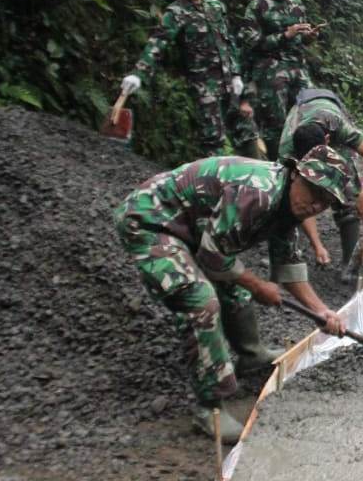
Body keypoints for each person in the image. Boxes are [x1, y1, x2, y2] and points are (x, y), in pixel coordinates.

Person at [114, 146, 350, 443]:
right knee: (200, 301)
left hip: (193, 228)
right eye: (314, 193)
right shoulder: (257, 194)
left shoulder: (288, 210)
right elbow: (213, 258)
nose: (315, 206)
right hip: (150, 220)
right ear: (295, 176)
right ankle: (209, 408)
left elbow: (288, 268)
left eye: (325, 202)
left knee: (233, 287)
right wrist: (257, 285)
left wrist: (323, 312)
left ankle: (251, 355)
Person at [120, 0, 252, 157]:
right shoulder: (176, 13)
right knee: (213, 139)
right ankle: (213, 182)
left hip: (228, 82)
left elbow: (228, 42)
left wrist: (236, 74)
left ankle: (252, 178)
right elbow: (158, 43)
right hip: (204, 86)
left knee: (245, 130)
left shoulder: (216, 6)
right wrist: (138, 74)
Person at [278, 91, 363, 284]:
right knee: (301, 194)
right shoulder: (287, 149)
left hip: (328, 111)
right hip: (302, 113)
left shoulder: (337, 125)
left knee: (349, 194)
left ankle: (350, 265)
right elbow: (299, 202)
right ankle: (318, 244)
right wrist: (317, 245)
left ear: (327, 142)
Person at [238, 0, 318, 159]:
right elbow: (251, 43)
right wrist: (285, 35)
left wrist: (309, 37)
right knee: (277, 125)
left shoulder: (297, 4)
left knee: (310, 114)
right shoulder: (258, 7)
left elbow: (302, 40)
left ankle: (308, 162)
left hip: (298, 69)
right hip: (271, 72)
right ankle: (279, 166)